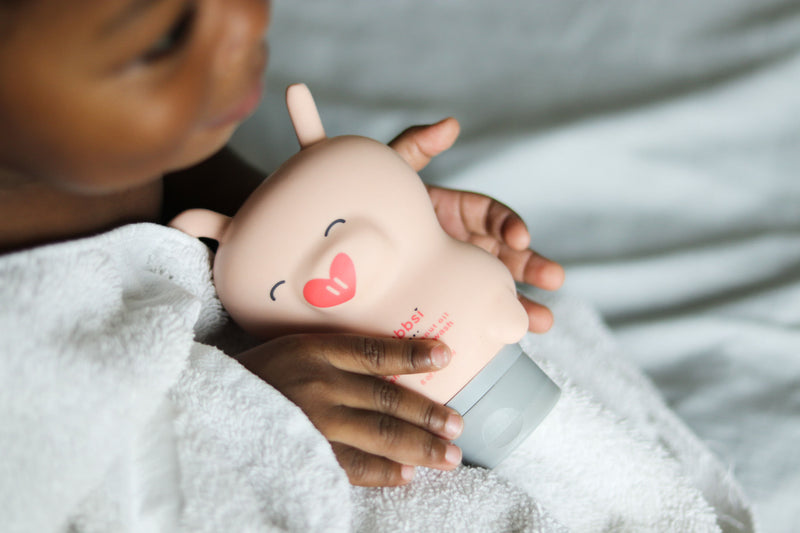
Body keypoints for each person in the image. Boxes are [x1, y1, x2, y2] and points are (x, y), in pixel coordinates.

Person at [0, 0, 564, 487]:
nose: (245, 22)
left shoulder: (92, 150)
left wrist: (365, 209)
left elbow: (188, 176)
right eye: (166, 37)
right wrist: (240, 406)